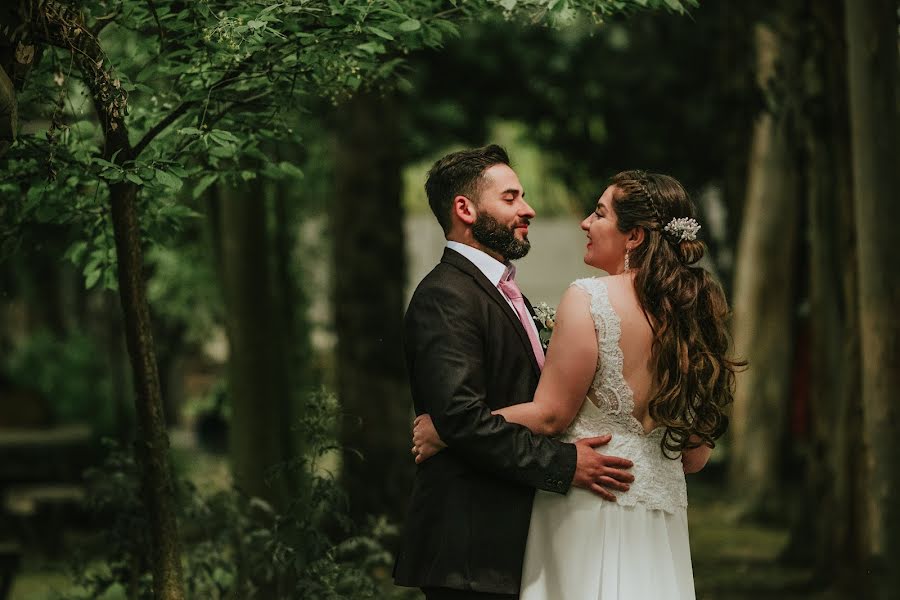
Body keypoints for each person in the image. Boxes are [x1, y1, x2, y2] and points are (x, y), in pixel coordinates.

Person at [413, 170, 744, 599]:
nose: (586, 223)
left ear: (635, 237)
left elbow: (551, 415)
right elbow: (696, 456)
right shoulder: (694, 309)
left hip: (589, 506)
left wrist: (448, 430)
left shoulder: (591, 297)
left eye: (599, 213)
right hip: (659, 520)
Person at [393, 145, 636, 600]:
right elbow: (463, 419)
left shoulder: (501, 290)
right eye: (510, 198)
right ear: (465, 209)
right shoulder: (445, 297)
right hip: (471, 549)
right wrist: (565, 463)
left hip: (510, 544)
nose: (529, 209)